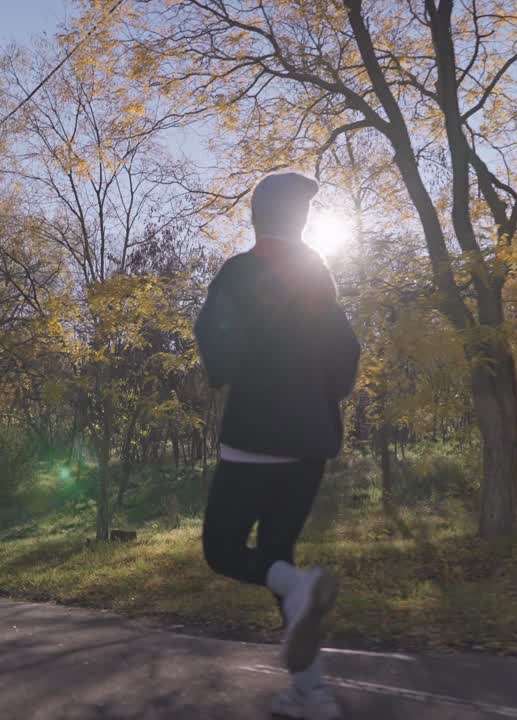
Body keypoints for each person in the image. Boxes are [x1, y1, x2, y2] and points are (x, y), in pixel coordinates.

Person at [195, 172, 361, 720]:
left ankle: (300, 590)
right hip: (312, 444)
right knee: (277, 563)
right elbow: (346, 356)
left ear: (256, 216)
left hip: (257, 437)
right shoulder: (319, 277)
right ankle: (312, 693)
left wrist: (238, 367)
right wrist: (320, 394)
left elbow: (219, 357)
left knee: (222, 549)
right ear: (301, 221)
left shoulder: (241, 273)